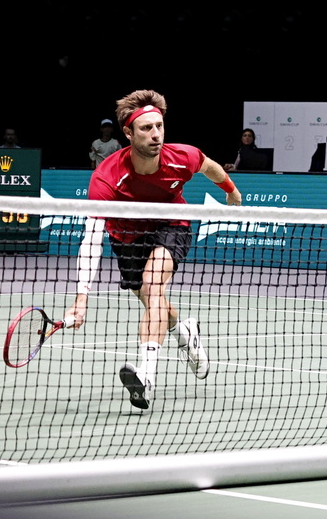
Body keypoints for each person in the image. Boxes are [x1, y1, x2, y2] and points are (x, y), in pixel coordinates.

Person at [64, 89, 243, 411]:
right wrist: (81, 298)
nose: (156, 134)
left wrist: (231, 190)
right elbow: (91, 239)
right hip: (126, 239)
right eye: (146, 128)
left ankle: (146, 374)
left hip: (171, 226)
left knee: (152, 284)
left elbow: (210, 167)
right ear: (128, 133)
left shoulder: (181, 156)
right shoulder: (106, 178)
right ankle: (184, 330)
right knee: (153, 299)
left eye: (159, 126)